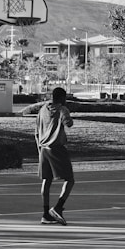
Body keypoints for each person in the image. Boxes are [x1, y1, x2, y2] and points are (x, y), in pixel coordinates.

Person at [35, 87, 74, 225]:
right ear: (63, 98)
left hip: (44, 148)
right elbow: (68, 123)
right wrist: (67, 118)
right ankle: (58, 207)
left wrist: (39, 148)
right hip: (57, 148)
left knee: (46, 180)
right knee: (70, 179)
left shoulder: (42, 109)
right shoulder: (62, 109)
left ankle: (45, 214)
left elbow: (36, 131)